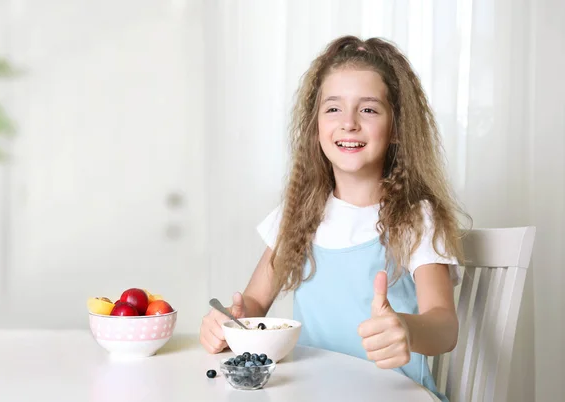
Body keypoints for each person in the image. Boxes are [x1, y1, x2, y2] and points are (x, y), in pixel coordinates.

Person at [199, 35, 469, 401]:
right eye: (333, 109)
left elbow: (444, 325)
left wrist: (405, 328)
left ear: (396, 130)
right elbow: (254, 304)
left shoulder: (416, 218)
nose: (349, 123)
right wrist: (228, 323)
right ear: (315, 128)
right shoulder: (297, 216)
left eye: (369, 110)